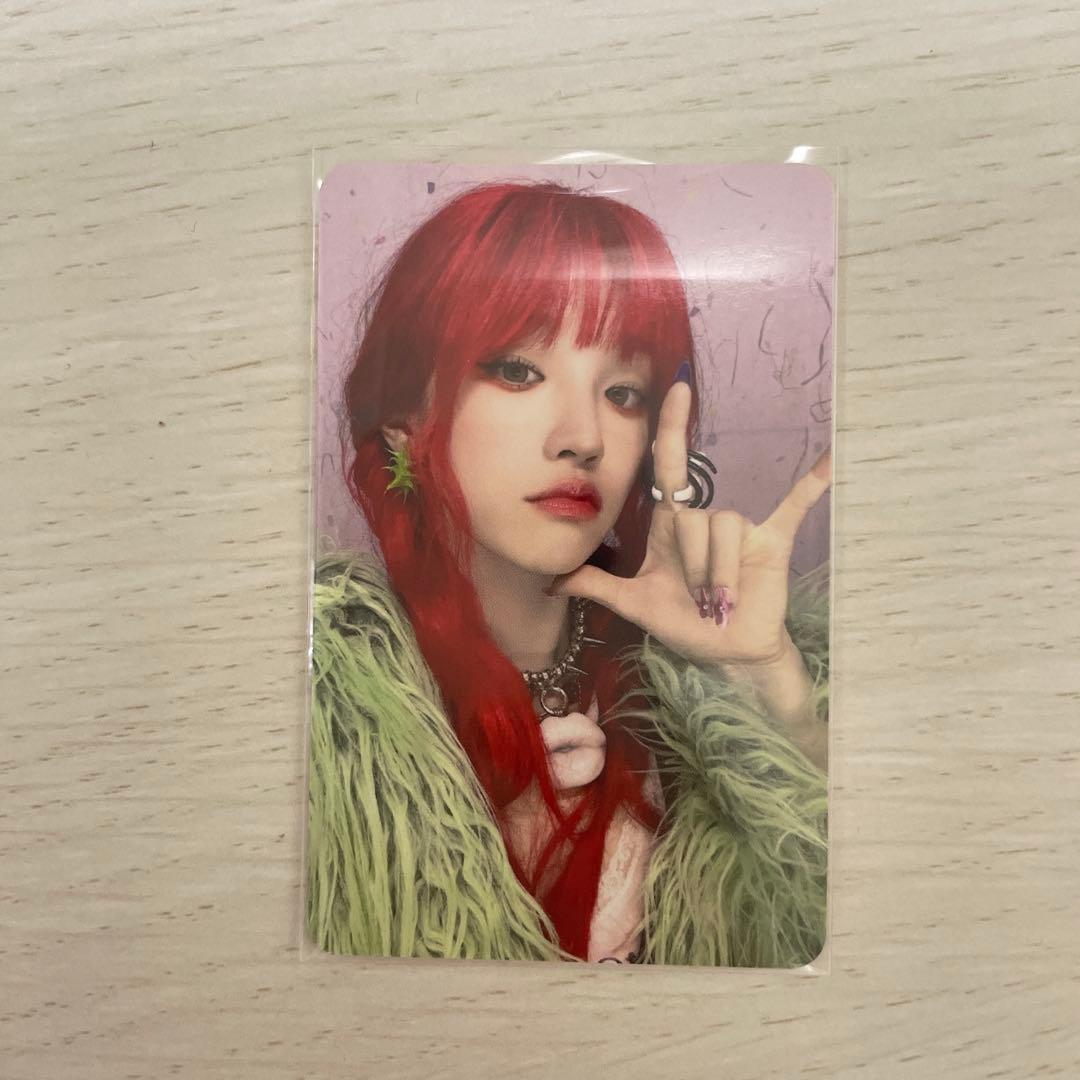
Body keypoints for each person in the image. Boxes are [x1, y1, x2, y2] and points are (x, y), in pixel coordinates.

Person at [307, 179, 831, 966]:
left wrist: (770, 690)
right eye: (518, 371)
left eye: (623, 392)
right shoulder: (325, 713)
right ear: (403, 422)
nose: (584, 436)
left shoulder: (676, 704)